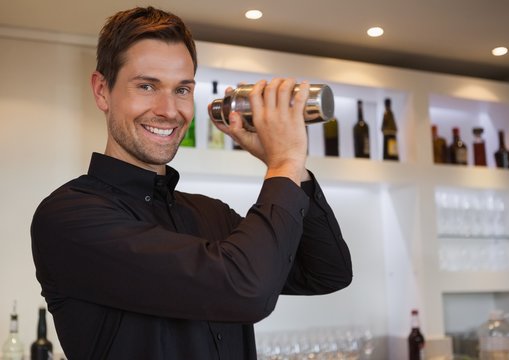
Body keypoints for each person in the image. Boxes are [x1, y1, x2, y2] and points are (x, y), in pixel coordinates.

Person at [30, 6, 352, 360]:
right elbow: (246, 290)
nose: (169, 110)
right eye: (147, 86)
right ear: (102, 91)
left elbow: (326, 271)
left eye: (182, 90)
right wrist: (284, 162)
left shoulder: (210, 214)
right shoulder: (69, 218)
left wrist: (295, 170)